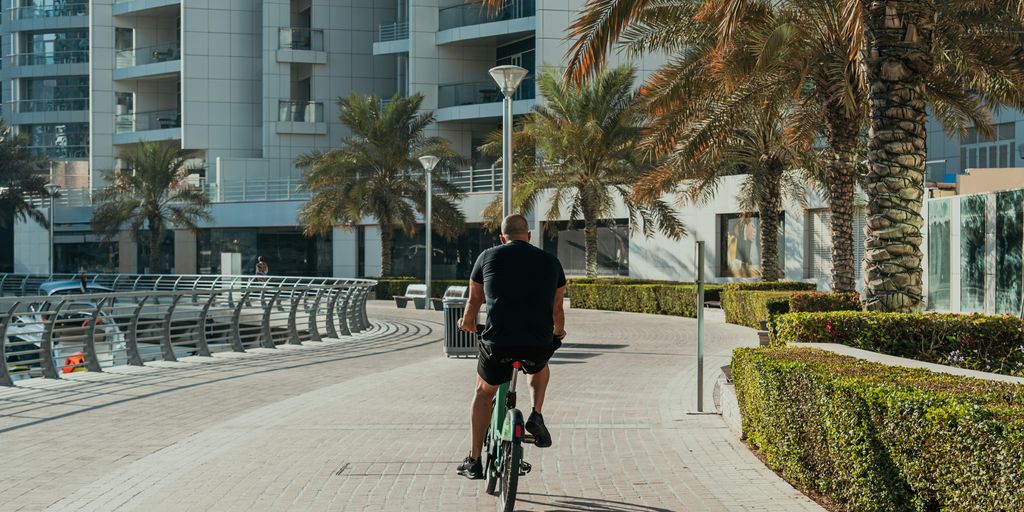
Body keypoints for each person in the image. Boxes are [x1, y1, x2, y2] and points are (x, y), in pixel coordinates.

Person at [455, 214, 567, 480]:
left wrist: (467, 323)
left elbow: (473, 302)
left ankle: (474, 460)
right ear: (529, 236)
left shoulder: (487, 257)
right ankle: (536, 414)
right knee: (540, 364)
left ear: (502, 238)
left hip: (499, 344)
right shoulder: (551, 262)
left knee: (483, 393)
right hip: (536, 345)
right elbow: (557, 310)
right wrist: (558, 332)